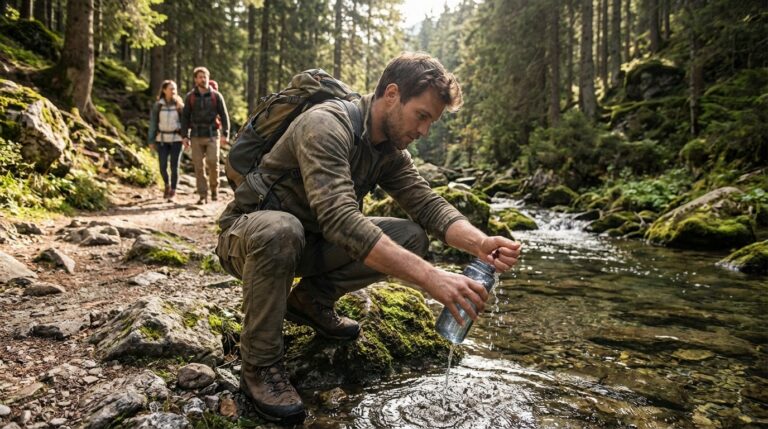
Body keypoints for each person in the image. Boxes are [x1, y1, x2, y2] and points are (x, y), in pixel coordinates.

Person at [215, 52, 522, 424]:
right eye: (421, 115)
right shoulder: (326, 124)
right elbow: (341, 220)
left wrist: (480, 243)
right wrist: (431, 278)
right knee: (282, 229)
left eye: (431, 122)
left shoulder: (389, 150)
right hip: (250, 238)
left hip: (309, 245)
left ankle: (311, 301)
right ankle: (260, 366)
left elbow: (428, 205)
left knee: (410, 236)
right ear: (392, 94)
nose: (424, 130)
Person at [180, 67, 230, 204]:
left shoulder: (216, 96)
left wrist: (226, 134)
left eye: (205, 76)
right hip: (195, 135)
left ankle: (214, 189)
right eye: (200, 77)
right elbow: (185, 117)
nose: (203, 79)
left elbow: (224, 116)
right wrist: (184, 136)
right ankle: (202, 195)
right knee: (198, 166)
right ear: (195, 80)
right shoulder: (190, 97)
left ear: (208, 78)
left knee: (213, 163)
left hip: (213, 135)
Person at [147, 80, 185, 200]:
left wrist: (186, 137)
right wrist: (151, 140)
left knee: (174, 165)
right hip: (162, 139)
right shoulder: (158, 105)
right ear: (164, 90)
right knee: (162, 165)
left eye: (174, 88)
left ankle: (173, 190)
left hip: (177, 139)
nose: (173, 91)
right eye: (170, 88)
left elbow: (185, 123)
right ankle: (167, 185)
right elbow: (153, 123)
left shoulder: (180, 106)